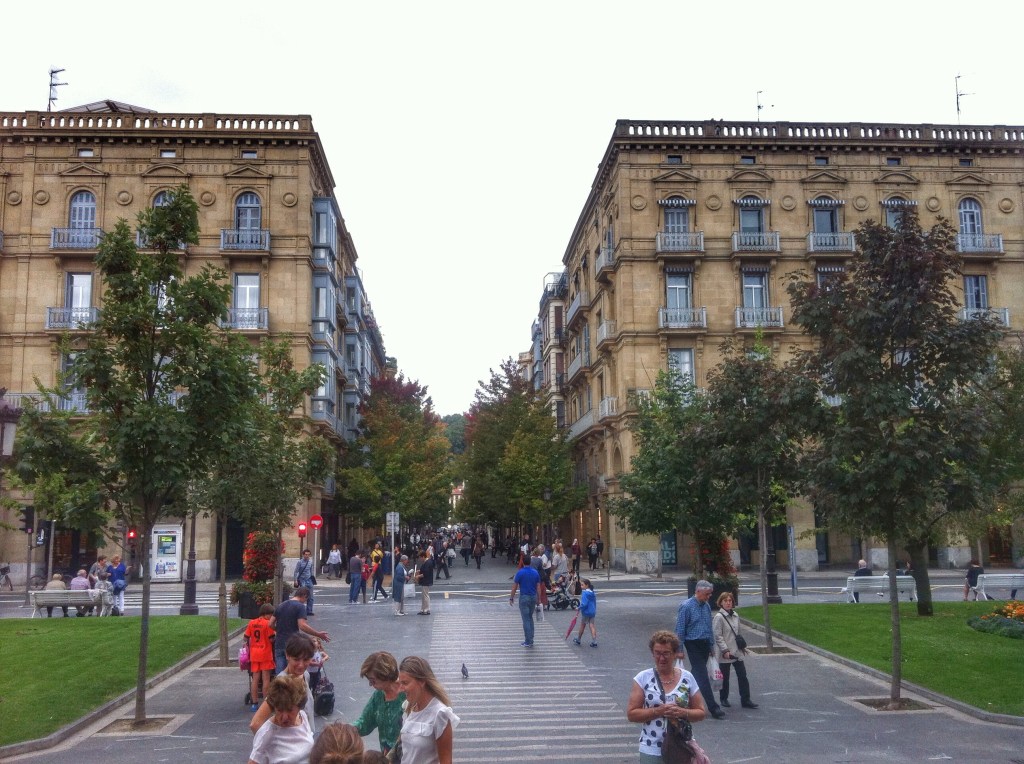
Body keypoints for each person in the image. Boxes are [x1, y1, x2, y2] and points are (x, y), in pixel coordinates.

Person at [627, 630, 707, 762]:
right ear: (652, 653)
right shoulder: (643, 678)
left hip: (681, 745)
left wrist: (682, 712)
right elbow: (632, 714)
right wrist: (658, 711)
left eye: (666, 653)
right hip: (651, 748)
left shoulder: (687, 678)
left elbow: (700, 712)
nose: (661, 658)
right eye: (657, 653)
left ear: (675, 654)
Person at [675, 579, 725, 719]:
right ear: (698, 591)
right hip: (693, 644)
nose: (709, 596)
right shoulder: (686, 606)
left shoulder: (706, 606)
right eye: (707, 594)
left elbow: (708, 628)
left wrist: (711, 646)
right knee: (702, 676)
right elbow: (680, 629)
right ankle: (713, 707)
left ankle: (682, 700)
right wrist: (679, 649)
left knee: (695, 676)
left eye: (710, 594)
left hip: (704, 644)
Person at [251, 633, 318, 736]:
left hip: (308, 742)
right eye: (296, 659)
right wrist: (274, 745)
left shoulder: (305, 675)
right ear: (287, 655)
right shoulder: (282, 683)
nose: (301, 665)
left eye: (306, 660)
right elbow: (255, 724)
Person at [397, 656, 459, 764]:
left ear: (422, 681)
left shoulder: (440, 714)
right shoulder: (407, 707)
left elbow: (446, 761)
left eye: (405, 683)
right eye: (400, 683)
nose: (401, 689)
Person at [248, 673, 314, 764]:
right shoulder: (267, 734)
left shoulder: (303, 717)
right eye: (279, 710)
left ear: (299, 706)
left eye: (290, 710)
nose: (284, 717)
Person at [353, 651, 406, 757]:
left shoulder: (407, 694)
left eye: (373, 681)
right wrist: (346, 729)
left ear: (385, 675)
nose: (370, 684)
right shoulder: (378, 696)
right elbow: (365, 723)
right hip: (387, 757)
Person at [712, 591, 758, 710]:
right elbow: (718, 636)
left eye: (730, 601)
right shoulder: (718, 617)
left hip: (736, 650)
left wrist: (742, 647)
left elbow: (739, 633)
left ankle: (745, 699)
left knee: (742, 675)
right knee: (725, 677)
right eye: (725, 601)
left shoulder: (735, 615)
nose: (728, 603)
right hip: (726, 652)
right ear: (721, 603)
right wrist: (725, 650)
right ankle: (723, 698)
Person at [269, 586, 330, 674]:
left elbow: (270, 624)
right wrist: (318, 634)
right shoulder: (300, 606)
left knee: (280, 672)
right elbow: (302, 625)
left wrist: (279, 630)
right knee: (293, 672)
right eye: (306, 599)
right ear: (304, 595)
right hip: (292, 644)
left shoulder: (281, 605)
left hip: (279, 643)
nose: (305, 602)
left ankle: (279, 686)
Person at [245, 603, 277, 711]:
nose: (272, 617)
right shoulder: (268, 624)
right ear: (266, 614)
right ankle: (265, 702)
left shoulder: (251, 623)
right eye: (271, 615)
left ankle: (254, 703)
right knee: (266, 679)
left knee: (255, 679)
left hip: (254, 654)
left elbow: (246, 637)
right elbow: (272, 639)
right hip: (265, 654)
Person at [510, 556, 542, 647]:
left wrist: (511, 598)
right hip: (533, 597)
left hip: (524, 597)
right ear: (530, 562)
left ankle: (528, 641)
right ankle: (531, 638)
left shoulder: (520, 573)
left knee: (526, 619)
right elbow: (538, 587)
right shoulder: (535, 573)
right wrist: (539, 599)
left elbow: (514, 587)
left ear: (523, 562)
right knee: (530, 618)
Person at [573, 578, 598, 647]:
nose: (581, 587)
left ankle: (578, 639)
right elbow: (594, 603)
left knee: (582, 625)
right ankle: (594, 640)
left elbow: (584, 604)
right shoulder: (592, 593)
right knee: (592, 625)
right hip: (592, 611)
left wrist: (578, 608)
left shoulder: (585, 593)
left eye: (582, 585)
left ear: (587, 585)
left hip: (586, 612)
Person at [293, 549, 317, 615]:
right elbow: (296, 571)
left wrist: (312, 579)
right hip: (302, 580)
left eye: (308, 554)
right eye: (305, 554)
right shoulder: (300, 562)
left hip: (309, 579)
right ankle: (301, 610)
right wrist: (295, 580)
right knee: (302, 596)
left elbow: (311, 571)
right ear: (303, 555)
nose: (307, 556)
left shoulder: (310, 562)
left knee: (311, 597)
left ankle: (309, 611)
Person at [415, 550, 435, 615]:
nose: (420, 559)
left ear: (423, 556)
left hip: (426, 580)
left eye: (420, 558)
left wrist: (418, 576)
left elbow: (425, 573)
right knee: (425, 595)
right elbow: (425, 571)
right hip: (426, 580)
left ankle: (426, 609)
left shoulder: (427, 562)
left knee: (425, 595)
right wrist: (419, 571)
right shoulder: (427, 562)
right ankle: (425, 609)